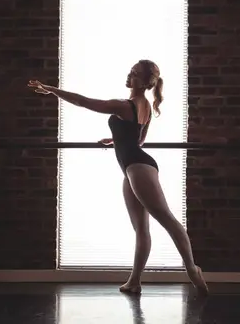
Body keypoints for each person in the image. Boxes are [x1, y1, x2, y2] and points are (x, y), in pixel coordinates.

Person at [27, 59, 209, 295]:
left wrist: (50, 89)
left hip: (138, 167)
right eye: (130, 71)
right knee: (141, 228)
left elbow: (83, 102)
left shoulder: (126, 105)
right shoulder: (143, 106)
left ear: (143, 82)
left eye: (134, 74)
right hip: (134, 167)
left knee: (166, 218)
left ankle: (192, 269)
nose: (129, 75)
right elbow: (138, 140)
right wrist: (114, 140)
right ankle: (134, 281)